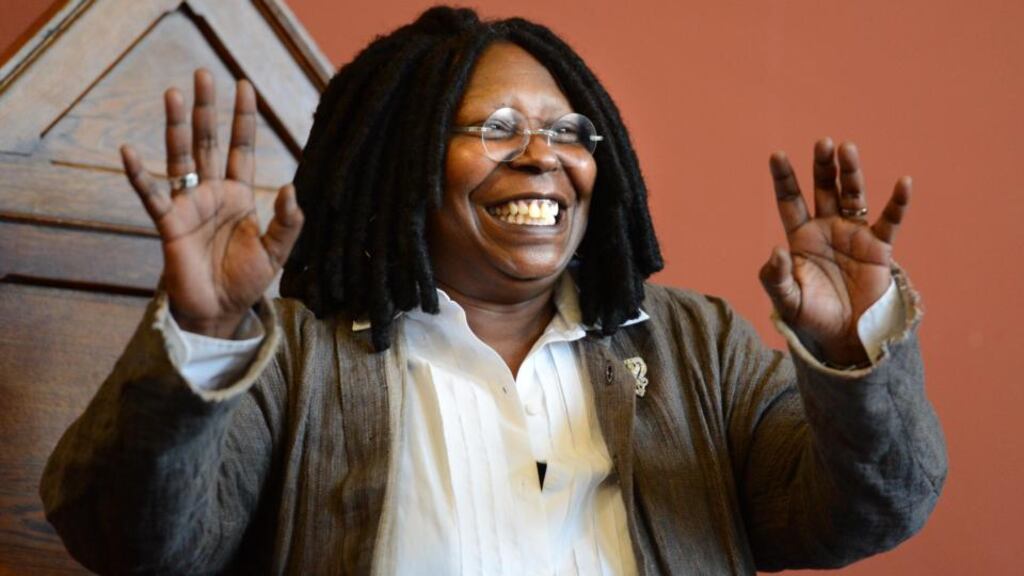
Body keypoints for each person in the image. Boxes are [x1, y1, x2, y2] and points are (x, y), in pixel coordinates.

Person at [39, 6, 946, 575]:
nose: (544, 156)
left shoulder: (691, 345)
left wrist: (847, 349)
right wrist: (202, 330)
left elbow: (865, 510)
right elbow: (132, 542)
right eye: (500, 127)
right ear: (406, 165)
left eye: (569, 131)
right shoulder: (299, 357)